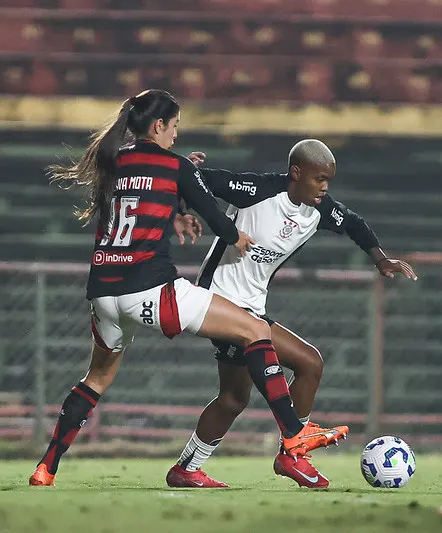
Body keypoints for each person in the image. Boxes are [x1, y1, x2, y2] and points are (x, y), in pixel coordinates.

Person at [28, 90, 349, 487]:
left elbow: (138, 203)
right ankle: (294, 435)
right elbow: (214, 213)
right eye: (175, 126)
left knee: (95, 379)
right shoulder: (172, 164)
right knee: (254, 329)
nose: (176, 135)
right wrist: (236, 237)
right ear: (159, 125)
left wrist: (175, 217)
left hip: (102, 292)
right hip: (149, 288)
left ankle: (47, 467)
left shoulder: (114, 159)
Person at [164, 139, 418, 489]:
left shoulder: (319, 209)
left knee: (236, 397)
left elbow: (355, 224)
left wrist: (380, 259)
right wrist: (180, 210)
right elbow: (191, 178)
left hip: (252, 306)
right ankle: (292, 452)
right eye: (319, 179)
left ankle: (189, 468)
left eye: (329, 179)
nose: (324, 187)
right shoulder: (256, 189)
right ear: (296, 173)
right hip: (220, 301)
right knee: (307, 363)